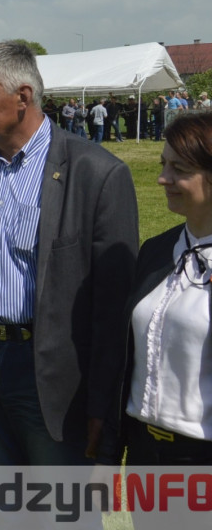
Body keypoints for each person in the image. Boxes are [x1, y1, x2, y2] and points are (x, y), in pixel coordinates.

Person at [0, 41, 139, 473]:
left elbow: (113, 309)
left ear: (22, 97)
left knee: (63, 510)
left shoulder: (96, 174)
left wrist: (103, 403)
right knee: (6, 503)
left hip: (50, 372)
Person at [113, 112, 212, 474]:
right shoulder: (157, 250)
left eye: (180, 169)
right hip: (145, 451)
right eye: (163, 164)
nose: (162, 179)